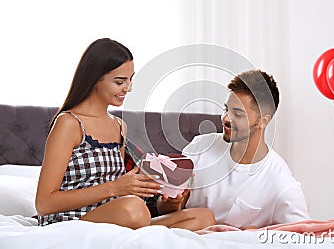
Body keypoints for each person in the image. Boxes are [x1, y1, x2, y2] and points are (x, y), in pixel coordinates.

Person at [35, 38, 215, 231]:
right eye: (120, 81)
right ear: (94, 79)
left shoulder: (119, 126)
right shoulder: (69, 123)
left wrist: (162, 194)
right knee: (133, 208)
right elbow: (44, 204)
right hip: (73, 222)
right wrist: (115, 187)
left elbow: (121, 194)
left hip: (119, 217)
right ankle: (146, 231)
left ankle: (145, 231)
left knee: (204, 216)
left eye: (130, 79)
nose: (128, 88)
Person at [176, 69, 310, 229]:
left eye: (237, 114)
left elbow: (302, 236)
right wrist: (171, 201)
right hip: (179, 238)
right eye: (226, 109)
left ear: (263, 121)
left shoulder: (281, 184)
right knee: (205, 218)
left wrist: (256, 233)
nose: (225, 119)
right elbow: (168, 211)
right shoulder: (201, 146)